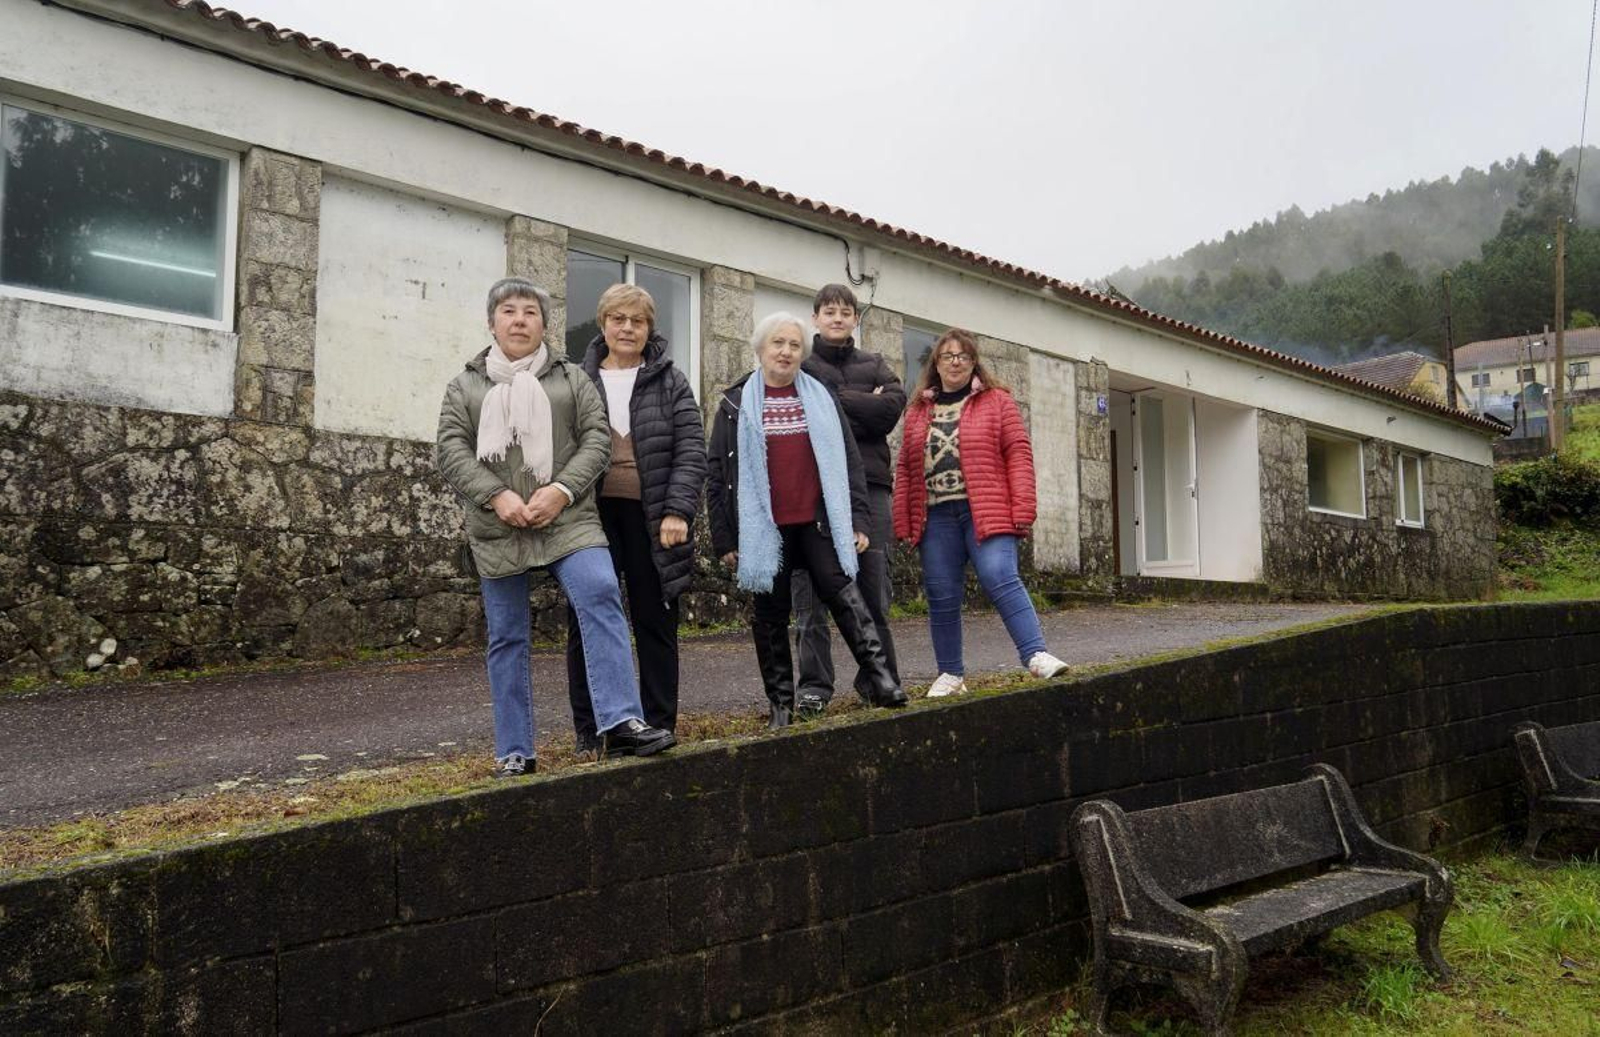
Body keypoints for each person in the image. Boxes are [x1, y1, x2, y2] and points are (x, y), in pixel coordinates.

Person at [435, 276, 676, 776]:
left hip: (568, 518)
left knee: (601, 591)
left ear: (545, 325)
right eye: (509, 311)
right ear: (492, 322)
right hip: (497, 524)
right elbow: (451, 450)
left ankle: (620, 722)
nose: (519, 319)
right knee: (507, 636)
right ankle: (515, 750)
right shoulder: (465, 385)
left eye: (530, 312)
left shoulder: (571, 379)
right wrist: (496, 494)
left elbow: (596, 441)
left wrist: (561, 490)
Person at [707, 312, 904, 728]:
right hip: (765, 531)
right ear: (761, 349)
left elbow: (850, 463)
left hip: (817, 522)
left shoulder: (820, 396)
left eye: (795, 345)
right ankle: (782, 705)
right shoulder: (734, 402)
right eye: (778, 343)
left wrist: (859, 522)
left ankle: (883, 679)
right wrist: (725, 540)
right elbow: (716, 475)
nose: (786, 351)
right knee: (771, 616)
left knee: (846, 598)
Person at [566, 284, 706, 754]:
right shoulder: (575, 379)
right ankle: (591, 729)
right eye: (618, 319)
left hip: (653, 517)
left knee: (655, 619)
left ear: (650, 329)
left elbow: (691, 448)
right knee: (587, 621)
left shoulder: (671, 380)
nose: (627, 328)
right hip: (590, 517)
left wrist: (677, 510)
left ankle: (659, 722)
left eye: (638, 321)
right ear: (602, 324)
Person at [892, 328, 1069, 697]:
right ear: (935, 365)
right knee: (941, 593)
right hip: (935, 516)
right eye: (947, 356)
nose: (955, 362)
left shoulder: (997, 401)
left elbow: (1018, 453)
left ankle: (1036, 654)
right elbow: (907, 469)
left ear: (974, 363)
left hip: (985, 509)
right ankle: (951, 674)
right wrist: (903, 521)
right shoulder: (918, 410)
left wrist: (1023, 507)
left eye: (963, 356)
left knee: (999, 574)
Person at [790, 283, 907, 718]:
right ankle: (815, 686)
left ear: (856, 319)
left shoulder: (875, 363)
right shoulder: (800, 363)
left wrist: (834, 403)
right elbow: (802, 413)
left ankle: (878, 679)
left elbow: (892, 408)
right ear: (816, 317)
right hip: (813, 489)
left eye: (846, 312)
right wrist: (863, 404)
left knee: (874, 587)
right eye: (829, 311)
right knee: (811, 595)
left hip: (871, 488)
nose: (838, 318)